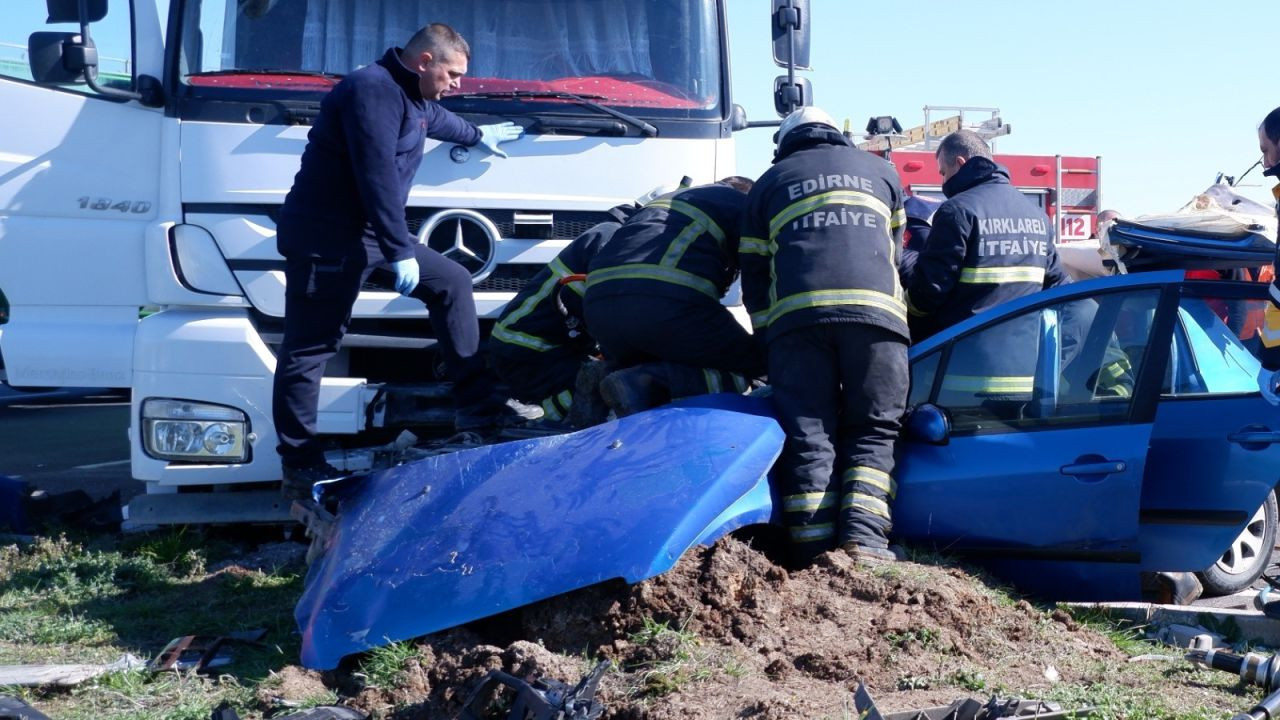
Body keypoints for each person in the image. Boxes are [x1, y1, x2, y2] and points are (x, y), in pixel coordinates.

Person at [272, 23, 523, 498]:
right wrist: (400, 250)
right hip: (324, 238)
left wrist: (476, 135)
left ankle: (478, 411)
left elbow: (435, 120)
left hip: (367, 234)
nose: (457, 85)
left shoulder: (413, 95)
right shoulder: (371, 89)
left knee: (451, 282)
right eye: (453, 74)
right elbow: (376, 176)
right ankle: (300, 462)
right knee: (311, 349)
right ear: (425, 60)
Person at [740, 106, 910, 566]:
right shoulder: (883, 172)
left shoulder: (770, 182)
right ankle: (867, 543)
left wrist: (765, 334)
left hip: (798, 324)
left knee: (810, 434)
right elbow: (895, 251)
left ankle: (811, 556)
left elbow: (754, 272)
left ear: (785, 142)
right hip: (878, 321)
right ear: (838, 135)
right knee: (874, 428)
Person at [582, 178, 763, 418]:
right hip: (666, 305)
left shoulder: (667, 203)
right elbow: (759, 270)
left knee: (649, 362)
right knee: (756, 365)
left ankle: (605, 382)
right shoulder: (741, 204)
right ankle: (649, 383)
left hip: (598, 309)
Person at [487, 204, 637, 428]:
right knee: (605, 383)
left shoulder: (611, 232)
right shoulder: (613, 240)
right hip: (529, 350)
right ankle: (537, 421)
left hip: (529, 344)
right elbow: (604, 315)